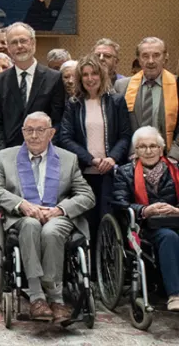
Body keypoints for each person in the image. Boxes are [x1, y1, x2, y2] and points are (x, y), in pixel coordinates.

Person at [0, 112, 95, 323]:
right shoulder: (6, 157)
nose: (34, 136)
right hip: (22, 217)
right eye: (29, 130)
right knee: (31, 225)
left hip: (56, 216)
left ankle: (56, 298)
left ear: (51, 133)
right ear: (23, 132)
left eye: (40, 130)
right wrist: (21, 204)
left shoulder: (68, 159)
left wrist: (61, 209)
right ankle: (37, 297)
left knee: (51, 231)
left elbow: (87, 195)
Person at [60, 54, 131, 248]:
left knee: (108, 218)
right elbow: (65, 138)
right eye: (85, 75)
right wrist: (91, 160)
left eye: (94, 74)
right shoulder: (74, 104)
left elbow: (125, 135)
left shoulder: (116, 101)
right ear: (80, 78)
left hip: (110, 172)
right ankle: (90, 270)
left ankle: (110, 267)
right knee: (87, 221)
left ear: (102, 75)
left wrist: (112, 158)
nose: (90, 78)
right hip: (84, 173)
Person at [112, 126, 179, 311]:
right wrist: (145, 210)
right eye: (142, 147)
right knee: (169, 237)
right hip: (145, 227)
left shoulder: (175, 170)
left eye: (153, 146)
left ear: (161, 148)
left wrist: (175, 210)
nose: (148, 151)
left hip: (175, 219)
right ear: (136, 150)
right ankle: (175, 294)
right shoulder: (125, 172)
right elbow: (120, 203)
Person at [0, 22, 65, 153]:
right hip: (9, 153)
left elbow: (58, 119)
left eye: (23, 41)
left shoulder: (54, 78)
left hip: (46, 153)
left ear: (33, 42)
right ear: (9, 48)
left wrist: (47, 149)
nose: (19, 46)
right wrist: (2, 154)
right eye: (14, 42)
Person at [114, 37, 179, 160]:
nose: (151, 61)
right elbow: (118, 127)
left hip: (170, 159)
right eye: (145, 56)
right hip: (133, 159)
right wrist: (130, 153)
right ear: (138, 59)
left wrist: (174, 157)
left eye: (156, 55)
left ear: (165, 57)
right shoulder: (122, 86)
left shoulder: (177, 85)